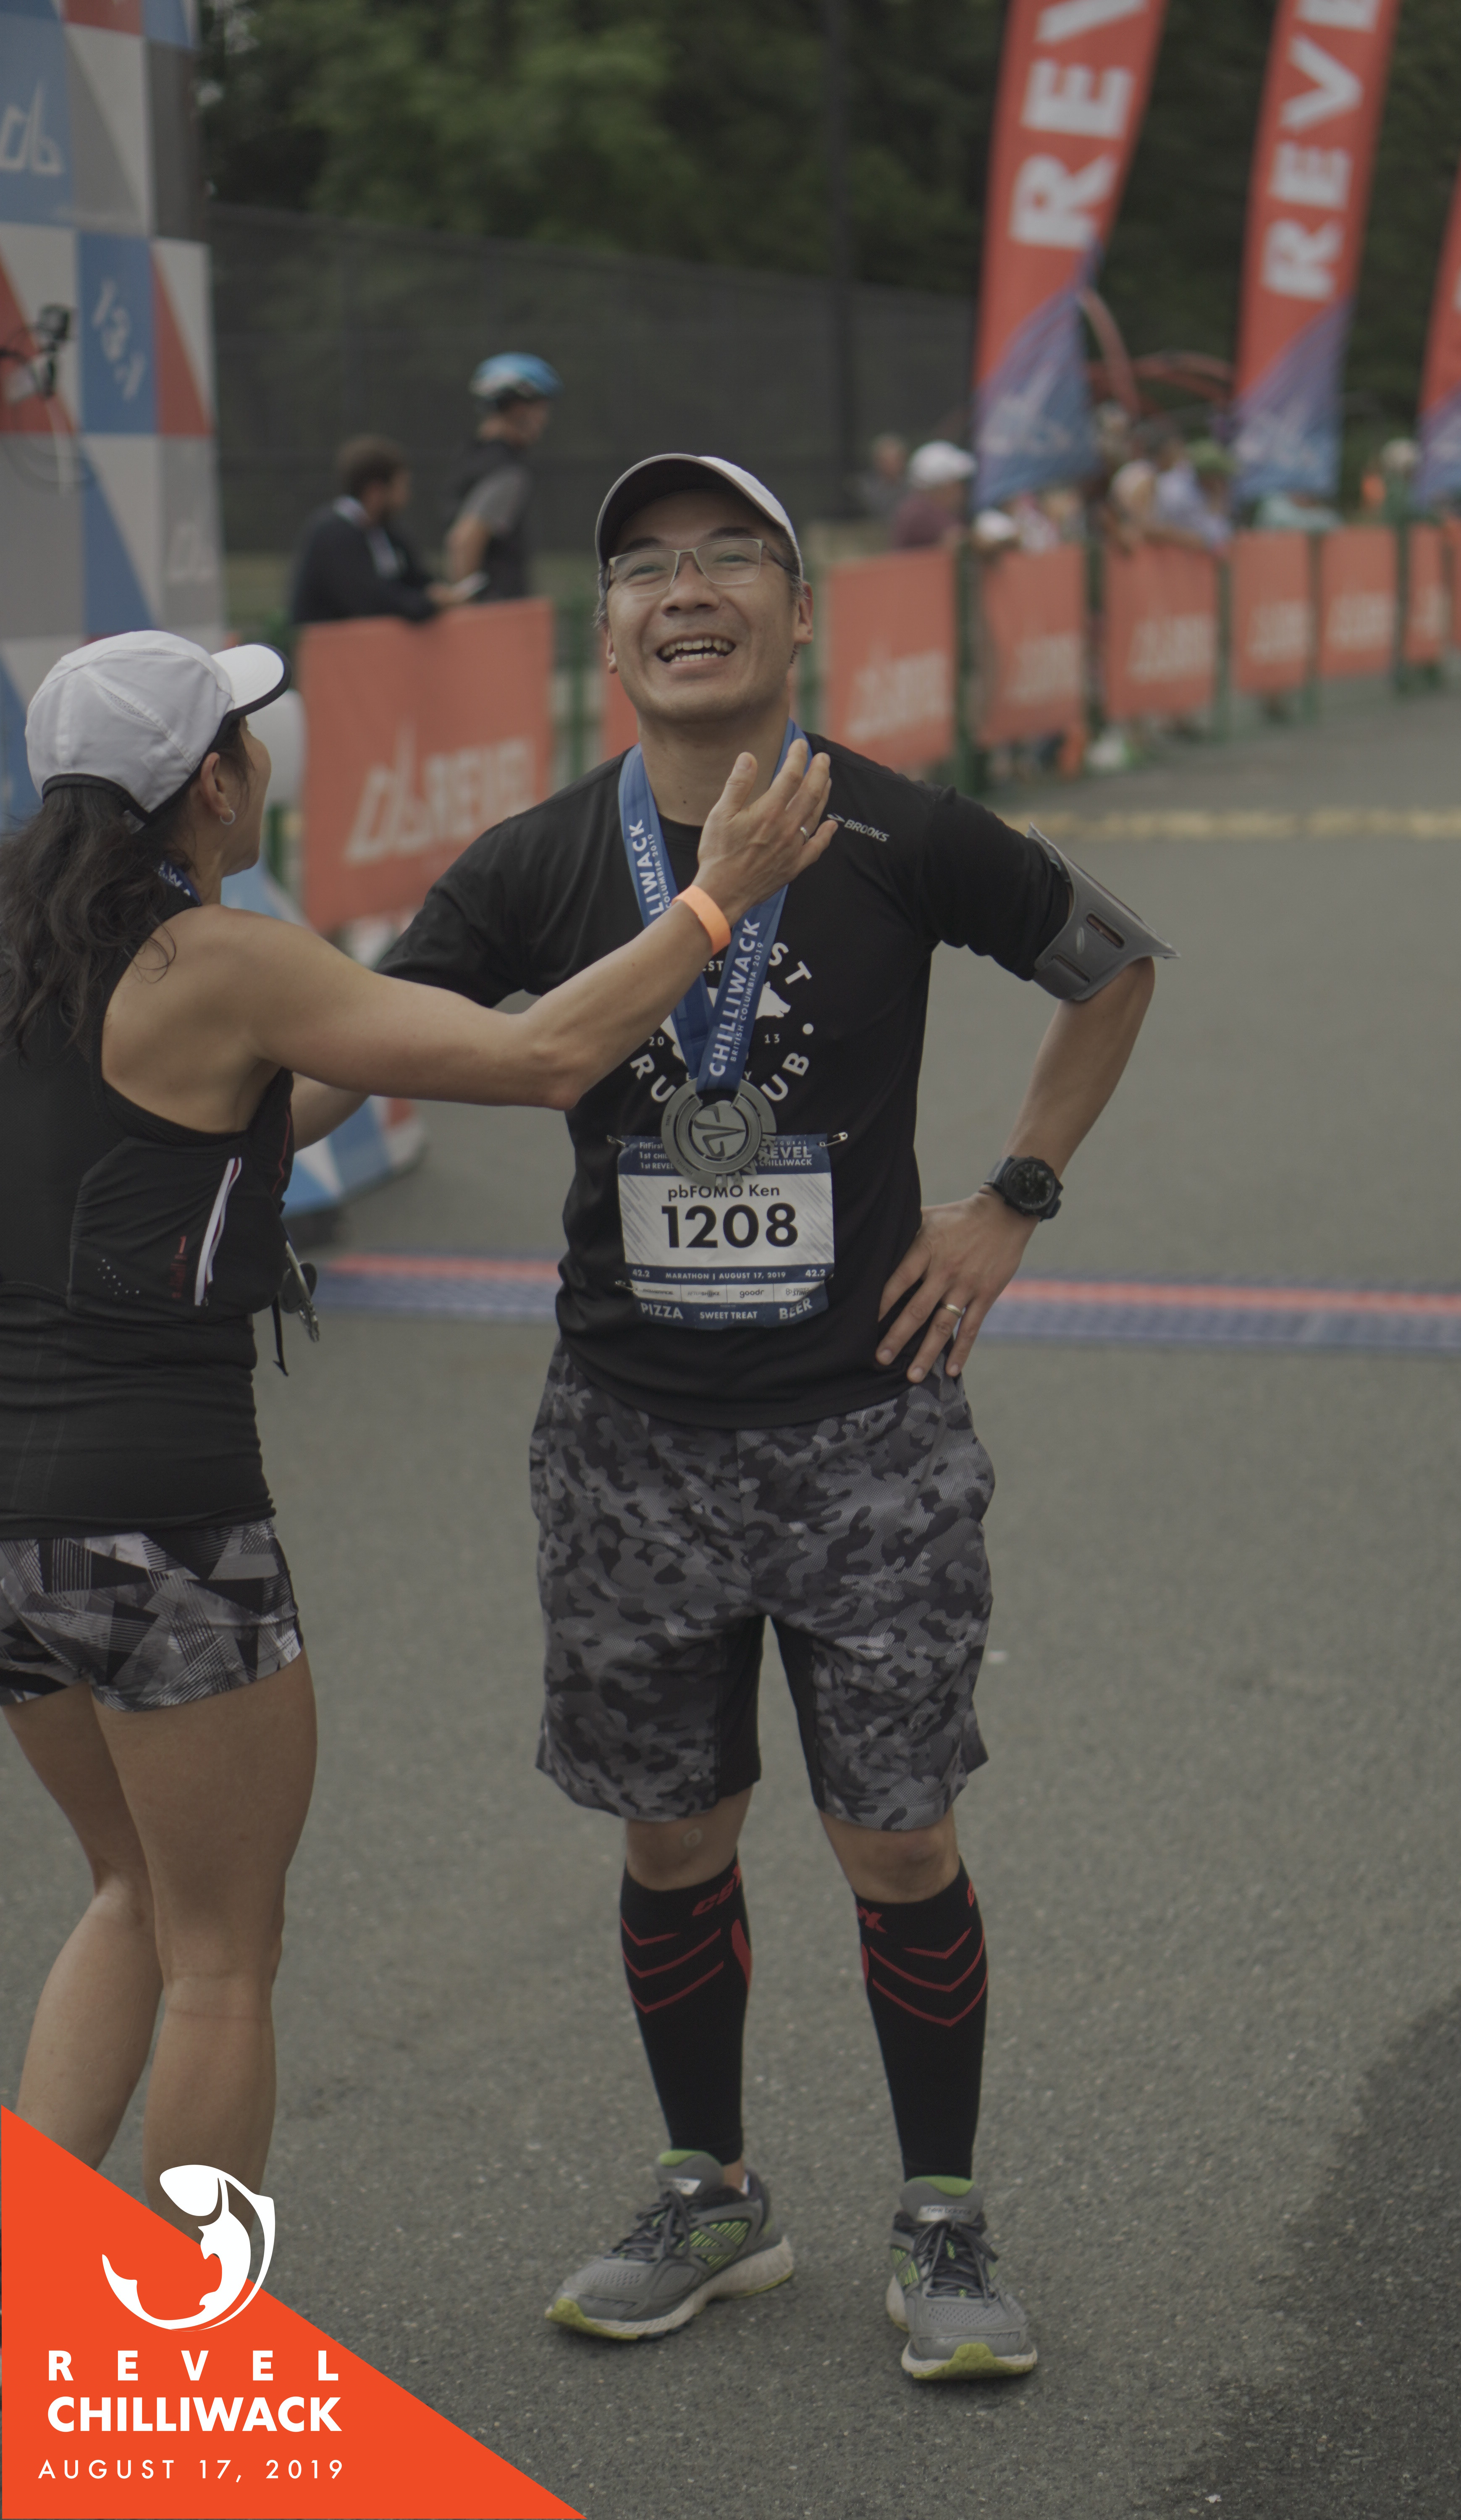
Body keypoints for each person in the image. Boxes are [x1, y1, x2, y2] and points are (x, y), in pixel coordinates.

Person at [370, 451, 1165, 2380]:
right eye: (645, 566)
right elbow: (348, 1051)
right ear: (608, 633)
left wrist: (1012, 1198)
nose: (687, 590)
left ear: (801, 613)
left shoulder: (896, 831)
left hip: (866, 1438)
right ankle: (709, 2191)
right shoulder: (538, 862)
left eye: (730, 556)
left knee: (897, 1841)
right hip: (627, 1446)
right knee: (670, 1840)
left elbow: (1112, 961)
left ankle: (942, 2220)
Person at [0, 627, 831, 2231]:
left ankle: (32, 2273)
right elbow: (544, 1057)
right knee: (223, 1956)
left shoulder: (30, 945)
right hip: (161, 1517)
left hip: (14, 1535)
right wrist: (715, 899)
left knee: (129, 1891)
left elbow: (256, 1107)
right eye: (245, 739)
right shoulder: (216, 962)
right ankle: (180, 2347)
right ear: (216, 783)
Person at [289, 436, 462, 629]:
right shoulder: (332, 535)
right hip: (331, 645)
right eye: (401, 487)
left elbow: (416, 578)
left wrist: (436, 592)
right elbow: (372, 599)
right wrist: (427, 604)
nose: (407, 496)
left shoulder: (386, 533)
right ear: (375, 492)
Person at [443, 353, 560, 602]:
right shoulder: (508, 471)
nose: (545, 420)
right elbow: (464, 541)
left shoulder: (472, 457)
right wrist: (468, 607)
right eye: (541, 409)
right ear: (519, 409)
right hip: (497, 608)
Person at [891, 440, 975, 550]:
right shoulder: (920, 512)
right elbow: (957, 540)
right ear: (943, 486)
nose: (963, 490)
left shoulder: (920, 507)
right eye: (958, 483)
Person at [852, 432, 908, 525]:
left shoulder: (913, 488)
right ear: (876, 461)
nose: (891, 465)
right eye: (886, 460)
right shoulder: (863, 487)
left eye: (895, 460)